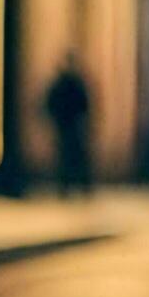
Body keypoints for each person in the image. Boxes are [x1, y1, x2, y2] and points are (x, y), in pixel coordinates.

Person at [45, 53, 92, 197]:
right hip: (67, 126)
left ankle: (76, 188)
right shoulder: (69, 83)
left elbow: (85, 104)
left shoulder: (72, 83)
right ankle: (71, 188)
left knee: (74, 159)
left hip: (70, 126)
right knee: (69, 159)